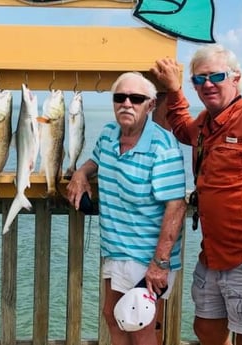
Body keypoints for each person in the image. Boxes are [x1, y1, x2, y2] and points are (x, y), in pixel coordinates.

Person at [151, 44, 242, 345]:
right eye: (198, 79)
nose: (207, 84)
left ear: (235, 77)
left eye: (216, 76)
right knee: (205, 328)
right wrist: (173, 89)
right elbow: (182, 128)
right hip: (213, 254)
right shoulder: (205, 121)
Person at [66, 72, 187, 345]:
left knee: (139, 324)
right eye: (120, 98)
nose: (127, 104)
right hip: (116, 248)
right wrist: (81, 174)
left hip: (146, 254)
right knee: (113, 315)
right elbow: (95, 160)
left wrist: (159, 263)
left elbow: (176, 207)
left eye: (136, 98)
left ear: (151, 105)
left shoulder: (163, 146)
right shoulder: (110, 134)